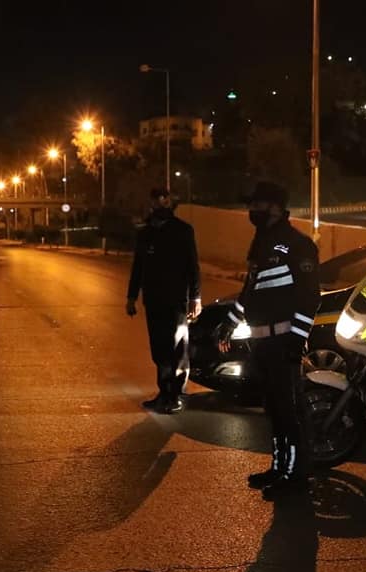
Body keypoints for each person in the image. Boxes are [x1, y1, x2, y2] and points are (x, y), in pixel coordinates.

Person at [219, 181, 320, 500]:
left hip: (283, 342)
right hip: (261, 344)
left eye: (258, 205)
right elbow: (250, 292)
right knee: (274, 410)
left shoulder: (297, 244)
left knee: (289, 412)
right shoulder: (261, 243)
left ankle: (296, 476)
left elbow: (309, 297)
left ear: (276, 207)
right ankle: (279, 467)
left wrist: (297, 340)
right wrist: (229, 323)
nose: (253, 211)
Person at [127, 187, 202, 414]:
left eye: (164, 200)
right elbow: (138, 267)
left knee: (177, 346)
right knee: (159, 348)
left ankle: (176, 394)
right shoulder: (146, 233)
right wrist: (131, 296)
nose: (159, 204)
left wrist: (195, 298)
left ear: (170, 202)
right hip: (153, 299)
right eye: (155, 201)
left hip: (176, 299)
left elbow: (193, 266)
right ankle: (164, 391)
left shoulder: (183, 230)